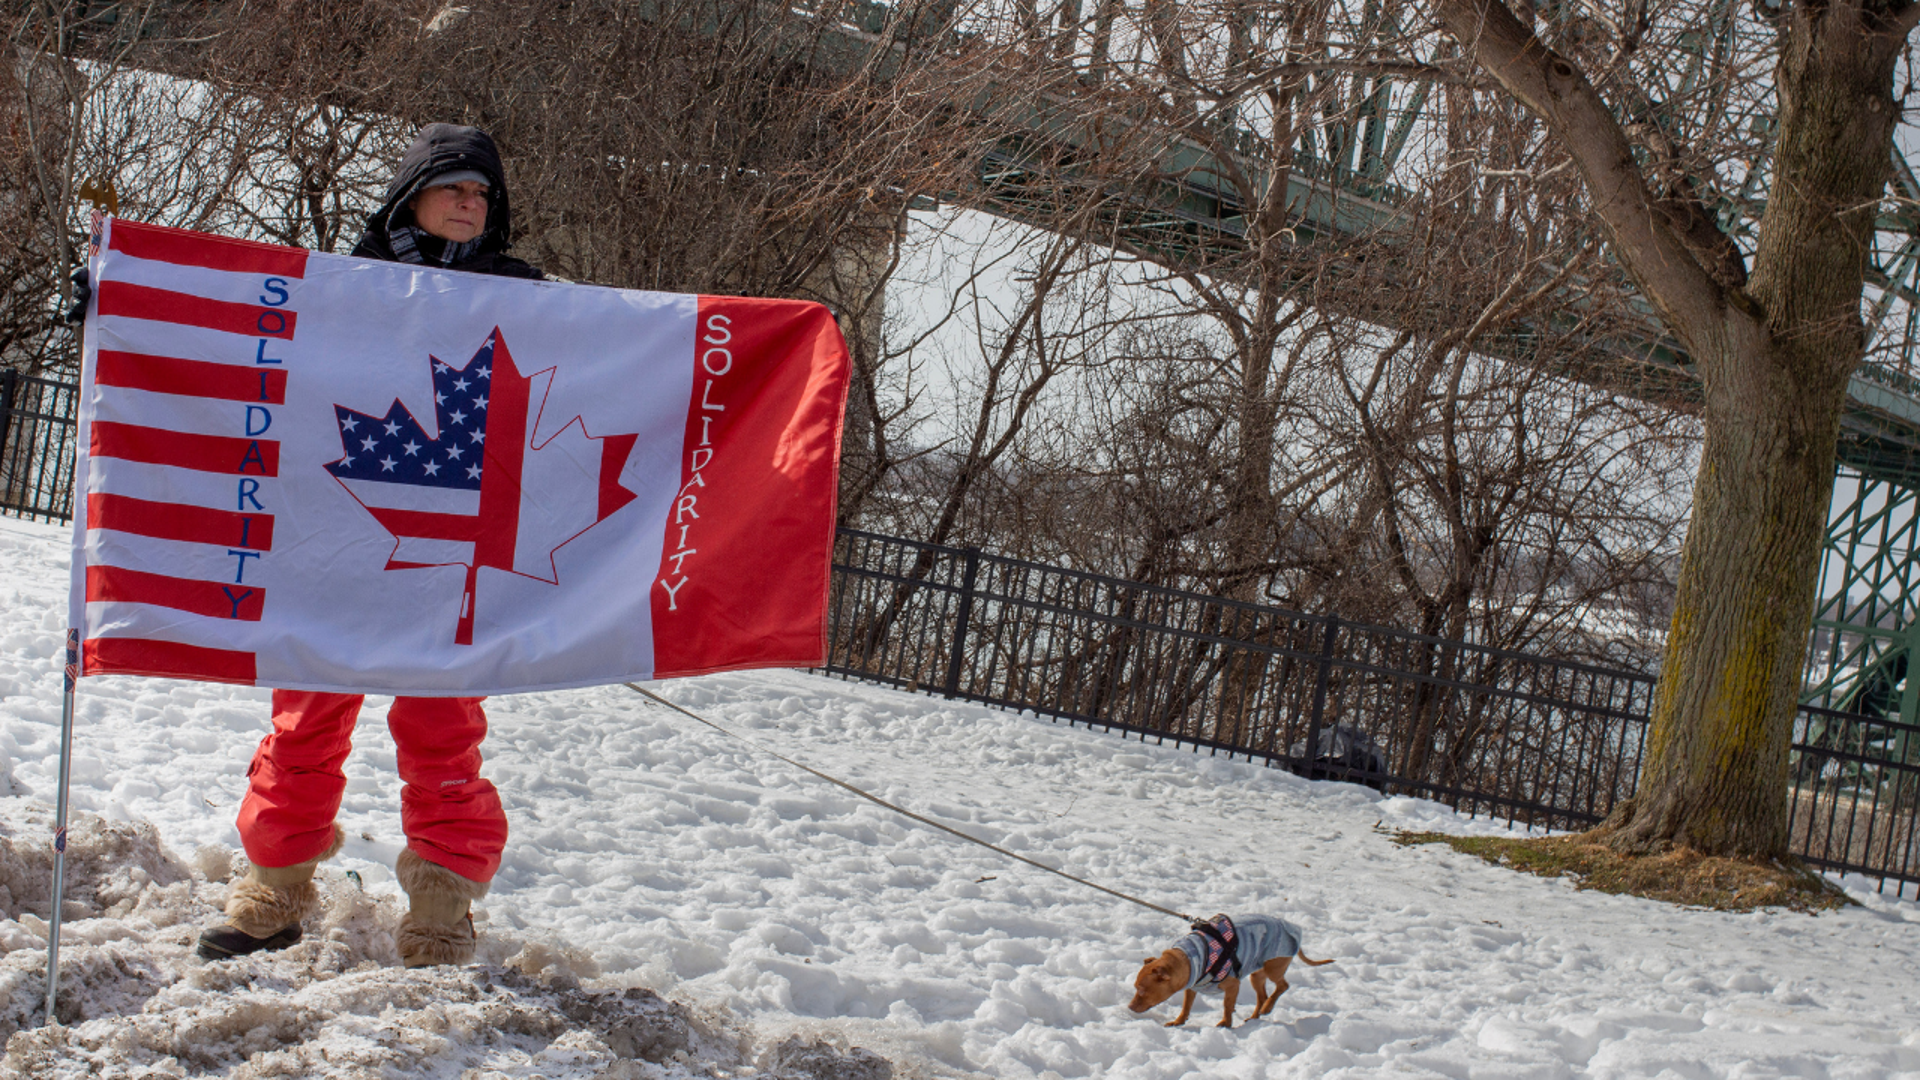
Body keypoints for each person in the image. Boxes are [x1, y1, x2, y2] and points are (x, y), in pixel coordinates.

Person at [197, 124, 543, 966]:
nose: (470, 202)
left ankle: (439, 907)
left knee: (443, 728)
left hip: (456, 546)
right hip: (342, 531)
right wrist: (114, 295)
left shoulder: (536, 300)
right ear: (411, 196)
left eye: (482, 194)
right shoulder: (342, 285)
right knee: (307, 713)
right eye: (454, 186)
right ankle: (273, 887)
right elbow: (240, 336)